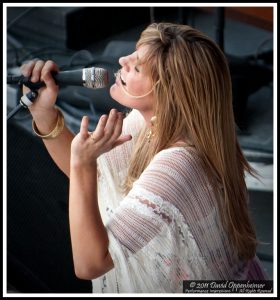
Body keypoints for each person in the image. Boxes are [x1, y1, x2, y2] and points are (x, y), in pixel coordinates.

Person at [20, 23, 269, 293]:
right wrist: (44, 114)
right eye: (133, 55)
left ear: (169, 93)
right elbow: (101, 175)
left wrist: (83, 164)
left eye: (137, 67)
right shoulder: (152, 124)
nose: (121, 61)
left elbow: (90, 264)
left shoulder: (177, 166)